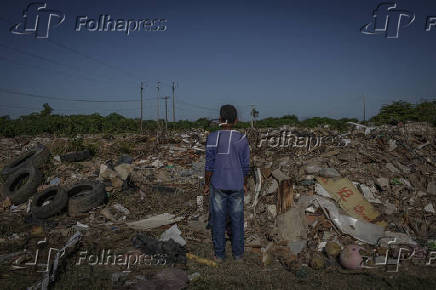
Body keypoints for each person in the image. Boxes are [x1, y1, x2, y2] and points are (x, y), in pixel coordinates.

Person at [203, 104, 250, 263]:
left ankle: (219, 255)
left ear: (221, 119)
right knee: (237, 220)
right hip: (237, 185)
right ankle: (238, 255)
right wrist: (244, 183)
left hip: (218, 185)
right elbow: (245, 165)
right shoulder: (242, 139)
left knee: (218, 220)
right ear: (236, 120)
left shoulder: (212, 137)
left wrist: (206, 184)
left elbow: (209, 165)